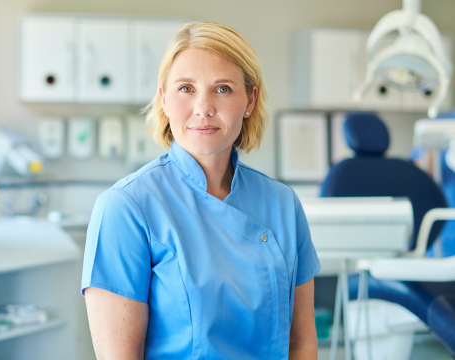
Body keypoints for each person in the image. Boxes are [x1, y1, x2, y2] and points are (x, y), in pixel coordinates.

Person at [81, 22, 321, 360]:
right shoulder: (126, 207)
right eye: (185, 88)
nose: (203, 107)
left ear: (250, 99)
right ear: (163, 98)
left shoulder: (282, 204)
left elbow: (301, 344)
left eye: (222, 88)